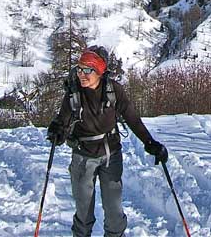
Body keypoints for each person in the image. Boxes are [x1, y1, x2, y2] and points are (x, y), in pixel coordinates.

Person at [47, 46, 168, 237]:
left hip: (110, 155)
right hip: (82, 157)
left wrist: (150, 143)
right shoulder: (74, 93)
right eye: (80, 69)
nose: (82, 74)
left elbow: (132, 118)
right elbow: (62, 119)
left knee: (114, 212)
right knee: (84, 212)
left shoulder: (114, 91)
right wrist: (57, 132)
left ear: (100, 71)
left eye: (88, 70)